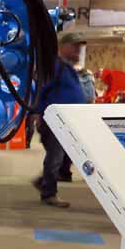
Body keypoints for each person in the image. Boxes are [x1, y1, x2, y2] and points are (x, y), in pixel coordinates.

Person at [32, 33, 89, 207]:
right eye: (74, 47)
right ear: (63, 47)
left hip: (67, 120)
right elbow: (41, 89)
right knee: (55, 156)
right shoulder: (55, 66)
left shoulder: (67, 67)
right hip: (54, 120)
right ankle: (49, 194)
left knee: (63, 154)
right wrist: (37, 113)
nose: (78, 51)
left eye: (79, 48)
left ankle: (44, 182)